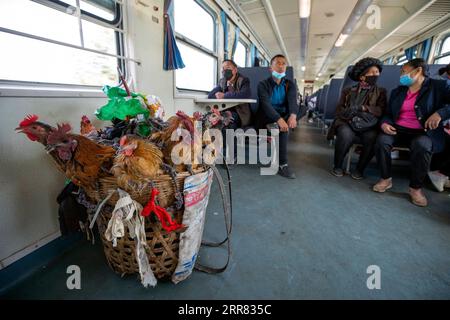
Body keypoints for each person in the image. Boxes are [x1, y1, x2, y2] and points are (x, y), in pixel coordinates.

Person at [373, 58, 450, 207]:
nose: (402, 75)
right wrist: (385, 123)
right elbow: (388, 113)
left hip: (424, 131)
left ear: (418, 70)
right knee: (382, 141)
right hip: (399, 129)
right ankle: (385, 179)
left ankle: (415, 188)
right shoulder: (398, 91)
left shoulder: (439, 86)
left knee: (422, 145)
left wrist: (440, 113)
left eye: (404, 71)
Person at [327, 57, 387, 179]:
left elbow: (381, 110)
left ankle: (360, 169)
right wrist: (349, 116)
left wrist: (365, 108)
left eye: (377, 72)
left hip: (368, 123)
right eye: (372, 72)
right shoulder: (348, 91)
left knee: (372, 137)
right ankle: (338, 165)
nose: (376, 75)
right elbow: (339, 110)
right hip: (348, 121)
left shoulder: (381, 91)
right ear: (362, 76)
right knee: (345, 134)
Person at [255, 54, 299, 179]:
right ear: (271, 68)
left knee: (300, 110)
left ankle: (281, 123)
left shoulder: (289, 84)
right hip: (266, 115)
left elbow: (292, 101)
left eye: (283, 63)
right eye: (277, 63)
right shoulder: (263, 84)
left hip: (283, 114)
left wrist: (293, 116)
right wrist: (279, 120)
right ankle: (283, 164)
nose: (281, 66)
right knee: (283, 129)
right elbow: (265, 105)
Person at [208, 60, 252, 162]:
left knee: (229, 124)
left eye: (227, 68)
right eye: (223, 68)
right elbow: (211, 95)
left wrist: (225, 95)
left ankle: (233, 155)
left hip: (240, 113)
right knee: (211, 121)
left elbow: (245, 94)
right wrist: (217, 94)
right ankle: (216, 151)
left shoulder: (243, 80)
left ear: (235, 70)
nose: (224, 71)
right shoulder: (222, 82)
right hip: (224, 112)